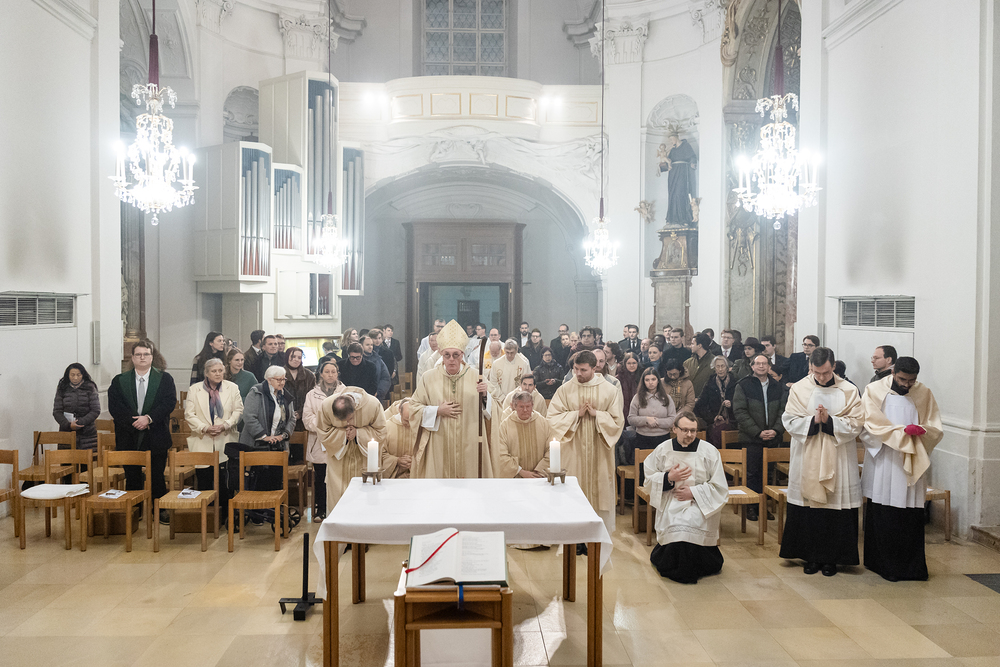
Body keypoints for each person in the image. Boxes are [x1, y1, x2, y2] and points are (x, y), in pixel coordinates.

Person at [779, 347, 864, 576]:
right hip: (807, 454)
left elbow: (857, 423)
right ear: (811, 368)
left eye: (826, 372)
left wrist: (829, 421)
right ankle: (810, 557)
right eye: (816, 372)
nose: (822, 377)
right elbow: (789, 419)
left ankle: (832, 560)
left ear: (833, 366)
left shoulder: (849, 390)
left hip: (838, 457)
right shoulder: (800, 388)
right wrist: (813, 421)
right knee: (808, 508)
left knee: (835, 509)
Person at [860, 357, 942, 581]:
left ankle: (912, 567)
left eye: (911, 381)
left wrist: (922, 431)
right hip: (885, 458)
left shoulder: (923, 393)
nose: (907, 385)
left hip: (912, 457)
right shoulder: (874, 390)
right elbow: (868, 425)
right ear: (893, 373)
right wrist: (901, 433)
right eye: (903, 379)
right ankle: (883, 564)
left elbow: (934, 425)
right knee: (884, 511)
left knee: (910, 513)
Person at [548, 350, 625, 540]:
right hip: (573, 451)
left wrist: (597, 415)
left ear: (594, 368)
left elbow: (617, 421)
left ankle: (597, 539)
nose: (578, 374)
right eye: (576, 369)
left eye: (583, 370)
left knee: (599, 492)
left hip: (600, 452)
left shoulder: (609, 390)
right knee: (572, 493)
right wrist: (577, 415)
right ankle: (572, 540)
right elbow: (552, 418)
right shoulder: (565, 390)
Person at [643, 411, 727, 583]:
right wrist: (668, 478)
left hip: (699, 502)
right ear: (675, 429)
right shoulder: (663, 449)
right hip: (671, 499)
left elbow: (720, 487)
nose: (689, 434)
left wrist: (694, 493)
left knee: (692, 519)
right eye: (685, 430)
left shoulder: (709, 451)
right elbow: (649, 478)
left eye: (693, 430)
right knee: (676, 521)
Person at [409, 320, 495, 479]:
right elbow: (413, 408)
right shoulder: (428, 378)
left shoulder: (477, 376)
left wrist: (485, 396)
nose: (451, 359)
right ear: (441, 354)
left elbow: (493, 411)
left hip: (470, 442)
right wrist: (437, 411)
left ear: (462, 355)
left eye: (456, 355)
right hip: (439, 443)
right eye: (447, 355)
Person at [108, 340, 177, 523]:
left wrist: (148, 418)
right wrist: (135, 422)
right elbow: (115, 407)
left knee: (156, 475)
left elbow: (169, 403)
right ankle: (135, 509)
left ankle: (159, 509)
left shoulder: (164, 379)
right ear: (132, 358)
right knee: (132, 475)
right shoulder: (119, 381)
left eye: (146, 354)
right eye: (138, 354)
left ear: (152, 357)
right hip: (128, 434)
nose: (142, 358)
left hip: (156, 434)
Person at [184, 358, 243, 526]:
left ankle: (227, 515)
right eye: (214, 371)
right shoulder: (195, 389)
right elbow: (189, 414)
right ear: (206, 373)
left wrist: (225, 425)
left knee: (225, 480)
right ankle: (208, 519)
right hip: (203, 439)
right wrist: (204, 428)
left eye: (220, 370)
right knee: (204, 479)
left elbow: (238, 410)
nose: (218, 374)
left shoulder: (232, 388)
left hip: (225, 437)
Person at [732, 354, 787, 520]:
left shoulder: (778, 386)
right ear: (752, 366)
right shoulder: (743, 385)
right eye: (758, 363)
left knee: (768, 473)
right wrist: (757, 432)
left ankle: (763, 506)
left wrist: (776, 430)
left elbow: (784, 411)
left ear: (769, 366)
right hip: (751, 438)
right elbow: (740, 411)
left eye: (764, 363)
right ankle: (751, 506)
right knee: (752, 473)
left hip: (772, 437)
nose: (761, 366)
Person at [316, 389, 388, 512]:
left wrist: (358, 433)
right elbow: (322, 432)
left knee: (363, 503)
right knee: (338, 501)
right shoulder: (326, 406)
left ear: (355, 409)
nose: (348, 423)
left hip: (364, 460)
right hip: (338, 463)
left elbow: (381, 431)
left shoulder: (373, 405)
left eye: (350, 418)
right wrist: (343, 434)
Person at [240, 366, 295, 494]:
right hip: (257, 445)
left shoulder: (285, 395)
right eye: (278, 379)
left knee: (276, 483)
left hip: (279, 445)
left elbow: (292, 418)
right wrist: (264, 436)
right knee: (260, 483)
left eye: (283, 379)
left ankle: (275, 506)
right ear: (269, 380)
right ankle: (258, 506)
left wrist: (284, 435)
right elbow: (249, 417)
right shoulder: (256, 392)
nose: (282, 382)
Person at [302, 360, 346, 521]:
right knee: (320, 478)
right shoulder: (311, 395)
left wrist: (335, 425)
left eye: (333, 372)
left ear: (337, 374)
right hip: (318, 440)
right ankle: (321, 509)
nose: (330, 375)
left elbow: (349, 414)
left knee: (338, 478)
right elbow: (307, 418)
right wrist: (324, 425)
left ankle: (339, 509)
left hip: (339, 439)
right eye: (327, 372)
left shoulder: (345, 392)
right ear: (321, 374)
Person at [495, 391, 553, 478]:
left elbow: (551, 449)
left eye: (528, 406)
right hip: (516, 478)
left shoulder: (543, 423)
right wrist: (521, 472)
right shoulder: (505, 425)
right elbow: (501, 454)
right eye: (521, 406)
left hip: (539, 476)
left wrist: (538, 471)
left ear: (532, 405)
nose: (525, 410)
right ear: (515, 407)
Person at [53, 363, 101, 451]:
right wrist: (68, 425)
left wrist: (80, 422)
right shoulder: (62, 388)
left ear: (83, 375)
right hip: (66, 430)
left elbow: (95, 410)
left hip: (87, 432)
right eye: (72, 375)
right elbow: (57, 411)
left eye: (78, 375)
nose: (75, 378)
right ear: (68, 375)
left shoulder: (90, 387)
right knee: (66, 457)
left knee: (86, 458)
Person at [628, 368, 677, 452]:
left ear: (658, 381)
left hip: (663, 438)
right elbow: (631, 419)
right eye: (647, 380)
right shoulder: (637, 398)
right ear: (643, 382)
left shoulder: (667, 398)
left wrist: (656, 421)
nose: (650, 382)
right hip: (643, 438)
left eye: (653, 379)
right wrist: (646, 420)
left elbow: (673, 419)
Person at [695, 356, 737, 446]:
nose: (720, 369)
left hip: (733, 421)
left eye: (722, 366)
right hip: (714, 423)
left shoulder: (736, 382)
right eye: (718, 366)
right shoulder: (709, 384)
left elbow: (742, 403)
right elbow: (700, 405)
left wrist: (731, 404)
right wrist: (713, 417)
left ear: (727, 368)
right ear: (714, 368)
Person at [488, 339, 531, 405]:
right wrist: (502, 397)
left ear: (516, 350)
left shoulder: (523, 363)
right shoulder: (496, 364)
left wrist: (517, 397)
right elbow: (493, 383)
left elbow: (527, 381)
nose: (509, 355)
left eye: (512, 353)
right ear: (504, 350)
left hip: (518, 400)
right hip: (500, 400)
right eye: (507, 352)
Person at [283, 347, 316, 433]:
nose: (296, 360)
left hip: (304, 418)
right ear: (287, 357)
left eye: (299, 357)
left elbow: (312, 397)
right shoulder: (279, 374)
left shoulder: (309, 375)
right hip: (283, 419)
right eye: (293, 356)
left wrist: (301, 412)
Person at [383, 398, 416, 479]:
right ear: (400, 412)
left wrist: (414, 461)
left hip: (416, 476)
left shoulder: (421, 427)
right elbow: (380, 454)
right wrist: (397, 460)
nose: (409, 424)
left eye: (412, 420)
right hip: (393, 478)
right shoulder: (387, 427)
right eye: (406, 420)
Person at [683, 332, 715, 398]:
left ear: (699, 345)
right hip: (690, 399)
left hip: (707, 400)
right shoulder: (687, 363)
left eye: (692, 344)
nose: (690, 346)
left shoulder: (714, 362)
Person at [361, 335, 391, 402]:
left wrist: (378, 391)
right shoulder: (357, 360)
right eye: (367, 345)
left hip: (376, 397)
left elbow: (385, 378)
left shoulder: (378, 360)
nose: (370, 347)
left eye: (371, 345)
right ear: (361, 346)